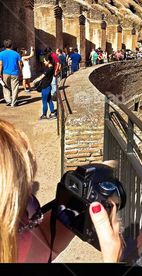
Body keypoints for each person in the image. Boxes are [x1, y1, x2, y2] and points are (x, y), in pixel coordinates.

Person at [0, 119, 122, 262]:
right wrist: (112, 258)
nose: (36, 220)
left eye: (30, 198)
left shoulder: (17, 246)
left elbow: (44, 246)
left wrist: (78, 203)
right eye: (24, 212)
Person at [29, 56, 56, 120]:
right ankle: (52, 113)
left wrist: (34, 81)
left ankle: (44, 115)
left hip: (45, 87)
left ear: (48, 61)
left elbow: (42, 76)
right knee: (49, 100)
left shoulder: (48, 69)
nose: (44, 62)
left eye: (44, 61)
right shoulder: (51, 68)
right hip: (48, 86)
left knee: (44, 102)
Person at [0, 40, 22, 106]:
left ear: (4, 46)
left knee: (5, 87)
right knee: (15, 88)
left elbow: (0, 64)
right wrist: (20, 72)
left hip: (5, 73)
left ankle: (8, 100)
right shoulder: (16, 54)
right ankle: (13, 102)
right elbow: (19, 64)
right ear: (11, 45)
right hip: (15, 73)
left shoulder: (1, 54)